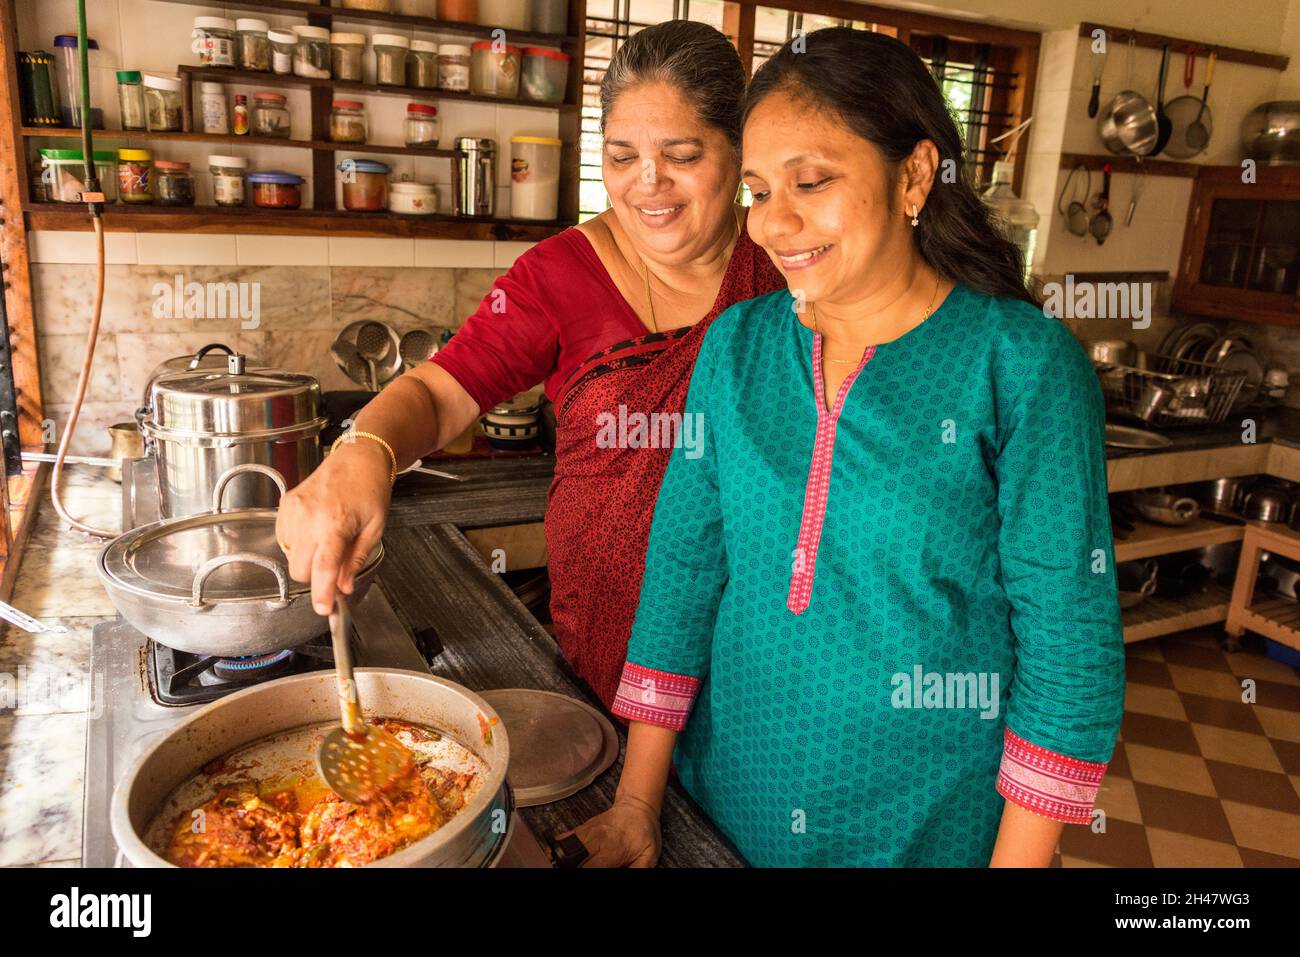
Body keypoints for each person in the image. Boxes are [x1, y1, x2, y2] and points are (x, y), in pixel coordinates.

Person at [566, 27, 1125, 868]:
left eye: (812, 182)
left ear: (913, 174)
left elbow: (1068, 649)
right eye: (757, 189)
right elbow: (682, 574)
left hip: (927, 829)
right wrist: (639, 803)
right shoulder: (738, 349)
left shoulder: (1021, 365)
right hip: (724, 806)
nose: (773, 224)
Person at [275, 20, 785, 709]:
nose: (647, 183)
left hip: (762, 650)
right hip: (608, 648)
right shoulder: (557, 277)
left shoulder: (790, 265)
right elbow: (437, 392)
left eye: (682, 154)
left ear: (741, 151)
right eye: (621, 156)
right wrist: (362, 451)